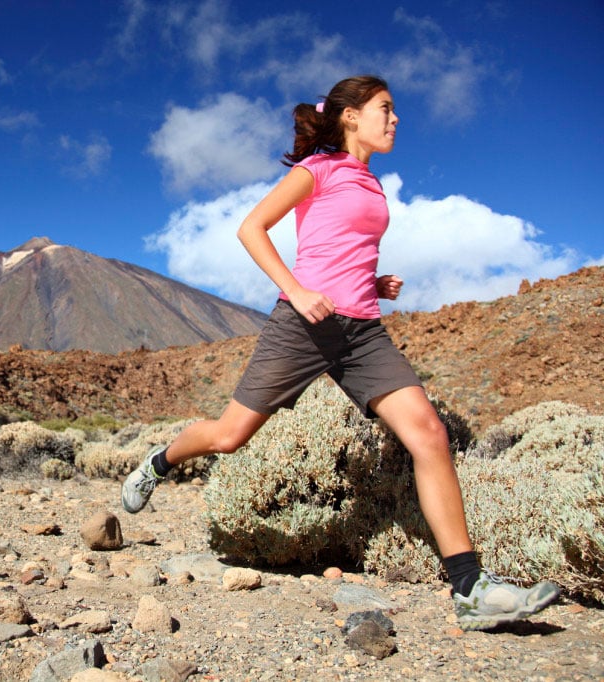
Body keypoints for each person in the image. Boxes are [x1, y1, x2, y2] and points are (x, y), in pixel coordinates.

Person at [121, 75, 560, 631]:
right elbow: (251, 228)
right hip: (302, 326)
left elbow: (339, 248)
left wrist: (371, 284)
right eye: (385, 108)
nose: (395, 118)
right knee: (230, 437)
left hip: (363, 334)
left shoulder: (373, 184)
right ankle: (159, 461)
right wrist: (298, 291)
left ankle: (469, 586)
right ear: (351, 116)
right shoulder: (318, 170)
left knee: (429, 433)